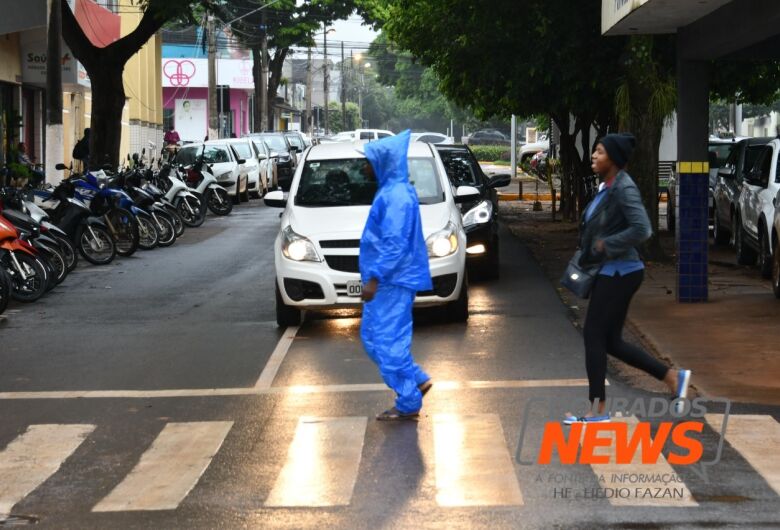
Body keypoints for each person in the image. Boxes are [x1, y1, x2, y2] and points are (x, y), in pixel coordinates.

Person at [565, 133, 691, 424]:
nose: (594, 156)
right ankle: (673, 378)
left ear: (614, 158)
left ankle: (598, 411)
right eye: (594, 150)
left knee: (593, 334)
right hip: (612, 271)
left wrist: (607, 244)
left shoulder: (624, 187)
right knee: (611, 341)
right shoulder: (607, 187)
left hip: (620, 271)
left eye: (599, 151)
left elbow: (643, 228)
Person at [359, 130, 433, 421]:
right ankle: (415, 379)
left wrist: (375, 277)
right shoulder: (392, 190)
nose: (365, 166)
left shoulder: (397, 196)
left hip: (392, 281)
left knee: (386, 341)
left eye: (369, 161)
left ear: (384, 162)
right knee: (374, 338)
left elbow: (394, 242)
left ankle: (409, 400)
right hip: (389, 279)